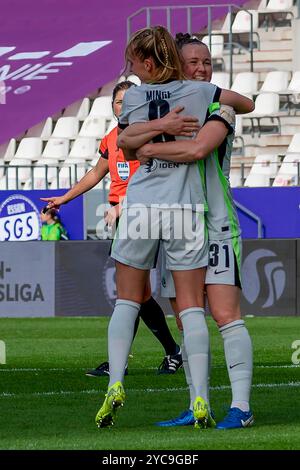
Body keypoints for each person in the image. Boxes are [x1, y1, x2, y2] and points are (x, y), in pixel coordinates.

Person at [95, 25, 254, 430]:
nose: (202, 69)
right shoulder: (184, 97)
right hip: (184, 218)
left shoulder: (218, 106)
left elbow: (198, 148)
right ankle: (195, 401)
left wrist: (145, 147)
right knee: (186, 314)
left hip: (214, 223)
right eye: (194, 62)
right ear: (175, 65)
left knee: (223, 313)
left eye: (208, 62)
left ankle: (240, 406)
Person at [40, 80, 200, 376]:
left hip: (145, 216)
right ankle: (170, 352)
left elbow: (154, 180)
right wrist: (64, 198)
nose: (123, 106)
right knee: (136, 295)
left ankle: (140, 359)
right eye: (118, 102)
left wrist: (123, 205)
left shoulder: (151, 136)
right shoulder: (112, 139)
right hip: (127, 220)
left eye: (129, 101)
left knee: (141, 295)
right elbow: (96, 174)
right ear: (112, 107)